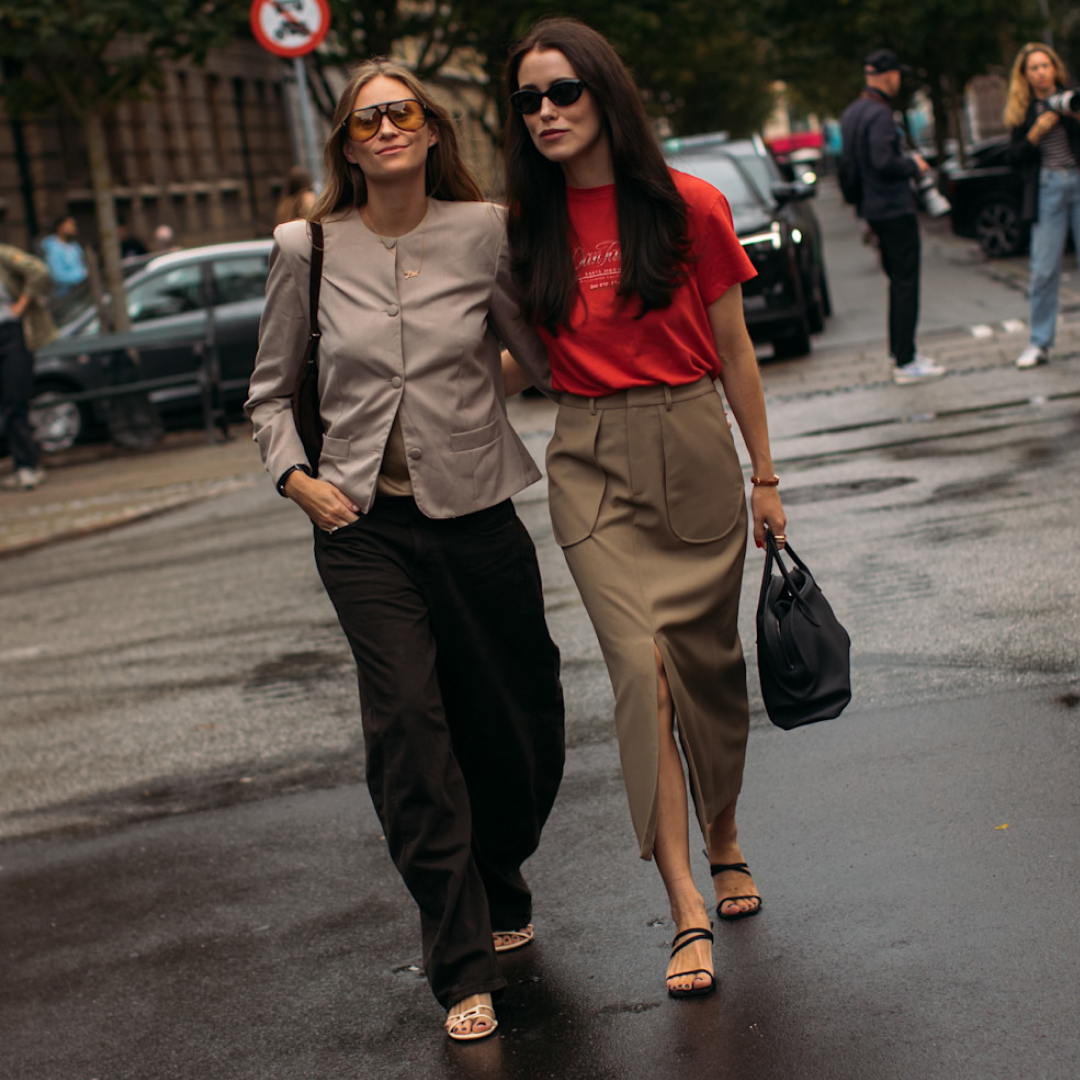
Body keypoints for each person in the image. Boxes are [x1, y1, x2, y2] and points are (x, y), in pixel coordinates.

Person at [245, 59, 565, 1042]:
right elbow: (269, 392)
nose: (386, 128)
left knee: (518, 722)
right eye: (367, 118)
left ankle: (501, 874)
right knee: (411, 736)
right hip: (361, 528)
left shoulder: (485, 231)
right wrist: (297, 480)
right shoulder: (308, 247)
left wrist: (475, 405)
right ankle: (459, 961)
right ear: (346, 143)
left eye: (403, 113)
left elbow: (540, 354)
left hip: (477, 516)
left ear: (432, 133)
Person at [502, 17, 786, 999]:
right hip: (589, 457)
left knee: (708, 672)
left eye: (561, 92)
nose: (544, 112)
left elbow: (737, 350)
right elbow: (514, 359)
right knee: (643, 672)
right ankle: (684, 907)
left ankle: (726, 835)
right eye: (527, 100)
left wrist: (765, 475)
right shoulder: (522, 229)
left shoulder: (688, 208)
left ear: (603, 95)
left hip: (695, 443)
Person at [840, 49, 945, 384]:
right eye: (897, 74)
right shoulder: (881, 114)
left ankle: (900, 353)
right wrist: (915, 165)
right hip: (894, 208)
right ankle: (906, 360)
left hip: (872, 209)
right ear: (888, 75)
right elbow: (884, 161)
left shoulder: (853, 113)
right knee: (906, 282)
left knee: (895, 281)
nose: (898, 79)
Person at [1004, 43, 1080, 369]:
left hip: (1078, 179)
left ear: (1054, 68)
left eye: (1044, 65)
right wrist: (1034, 133)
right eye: (1033, 67)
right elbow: (1013, 159)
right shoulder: (1022, 111)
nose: (1040, 72)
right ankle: (1039, 342)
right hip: (1047, 188)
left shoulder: (1072, 99)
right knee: (1044, 270)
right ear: (1025, 75)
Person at [0, 241, 57, 490]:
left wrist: (20, 306)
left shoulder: (3, 256)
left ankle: (27, 464)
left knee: (15, 400)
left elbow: (38, 271)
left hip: (11, 334)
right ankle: (23, 463)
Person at [41, 215, 88, 297]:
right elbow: (57, 275)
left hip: (81, 292)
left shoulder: (75, 246)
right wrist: (82, 275)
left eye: (74, 225)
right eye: (69, 225)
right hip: (65, 296)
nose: (73, 228)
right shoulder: (53, 248)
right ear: (60, 227)